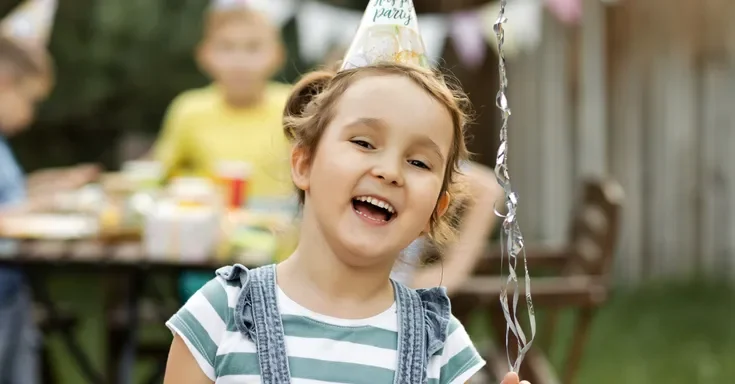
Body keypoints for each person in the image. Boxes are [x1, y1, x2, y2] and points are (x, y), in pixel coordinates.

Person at [162, 2, 530, 383]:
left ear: (436, 210)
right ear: (304, 164)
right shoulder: (219, 317)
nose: (389, 172)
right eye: (364, 142)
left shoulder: (441, 344)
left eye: (418, 163)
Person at [150, 0, 294, 300]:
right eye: (227, 48)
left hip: (282, 253)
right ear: (205, 56)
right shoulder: (189, 110)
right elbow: (159, 176)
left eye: (253, 48)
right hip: (208, 253)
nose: (239, 60)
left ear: (276, 55)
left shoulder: (293, 106)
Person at [0, 1, 57, 382]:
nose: (31, 114)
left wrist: (49, 186)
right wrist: (33, 209)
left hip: (11, 292)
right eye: (30, 101)